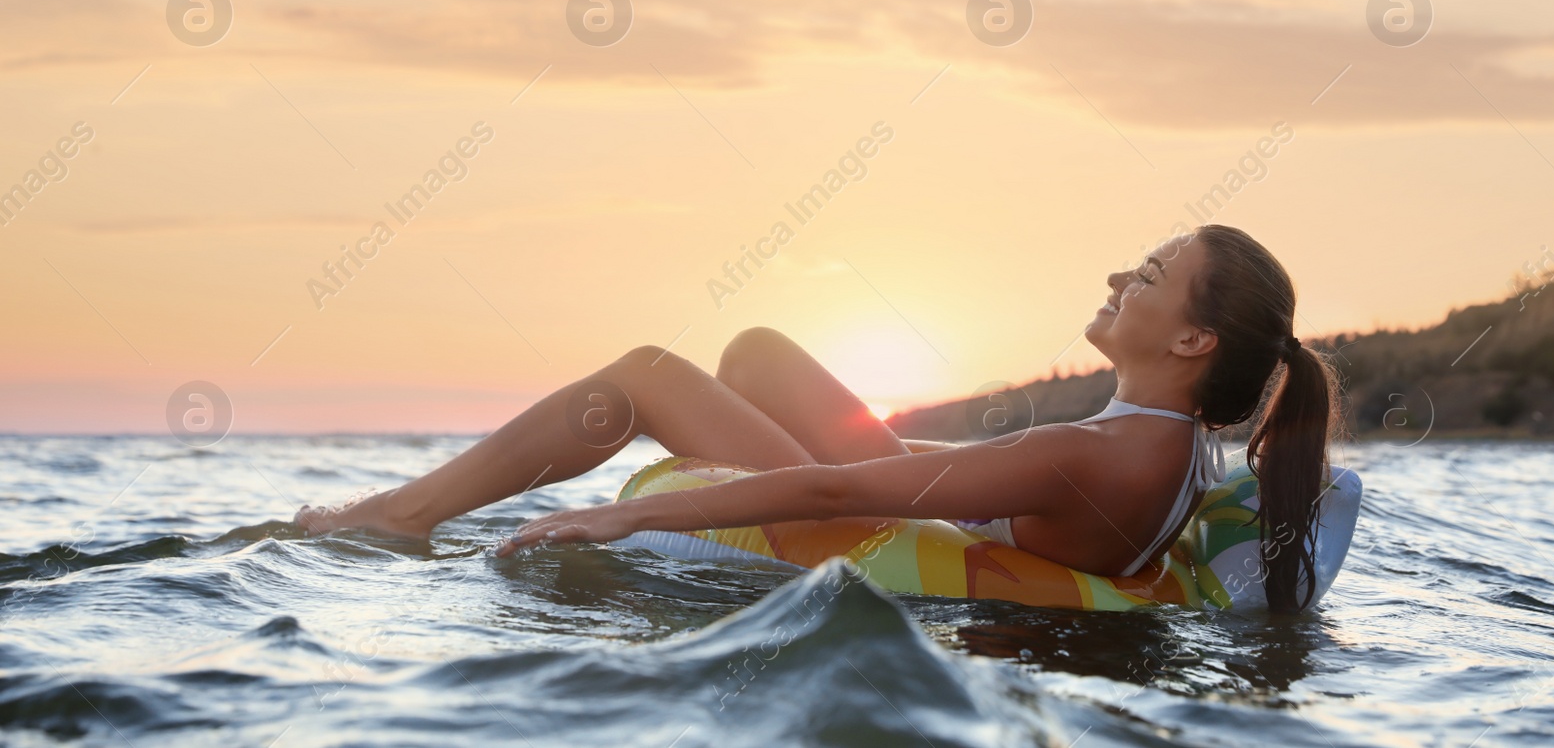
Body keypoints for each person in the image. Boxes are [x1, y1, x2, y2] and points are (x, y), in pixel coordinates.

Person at [296, 224, 1343, 614]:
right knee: (753, 350)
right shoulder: (1163, 446)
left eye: (1152, 273)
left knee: (650, 373)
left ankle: (403, 510)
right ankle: (410, 506)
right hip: (961, 515)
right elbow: (975, 472)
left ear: (1196, 341)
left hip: (905, 535)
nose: (1123, 271)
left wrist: (620, 517)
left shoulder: (1095, 450)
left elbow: (841, 492)